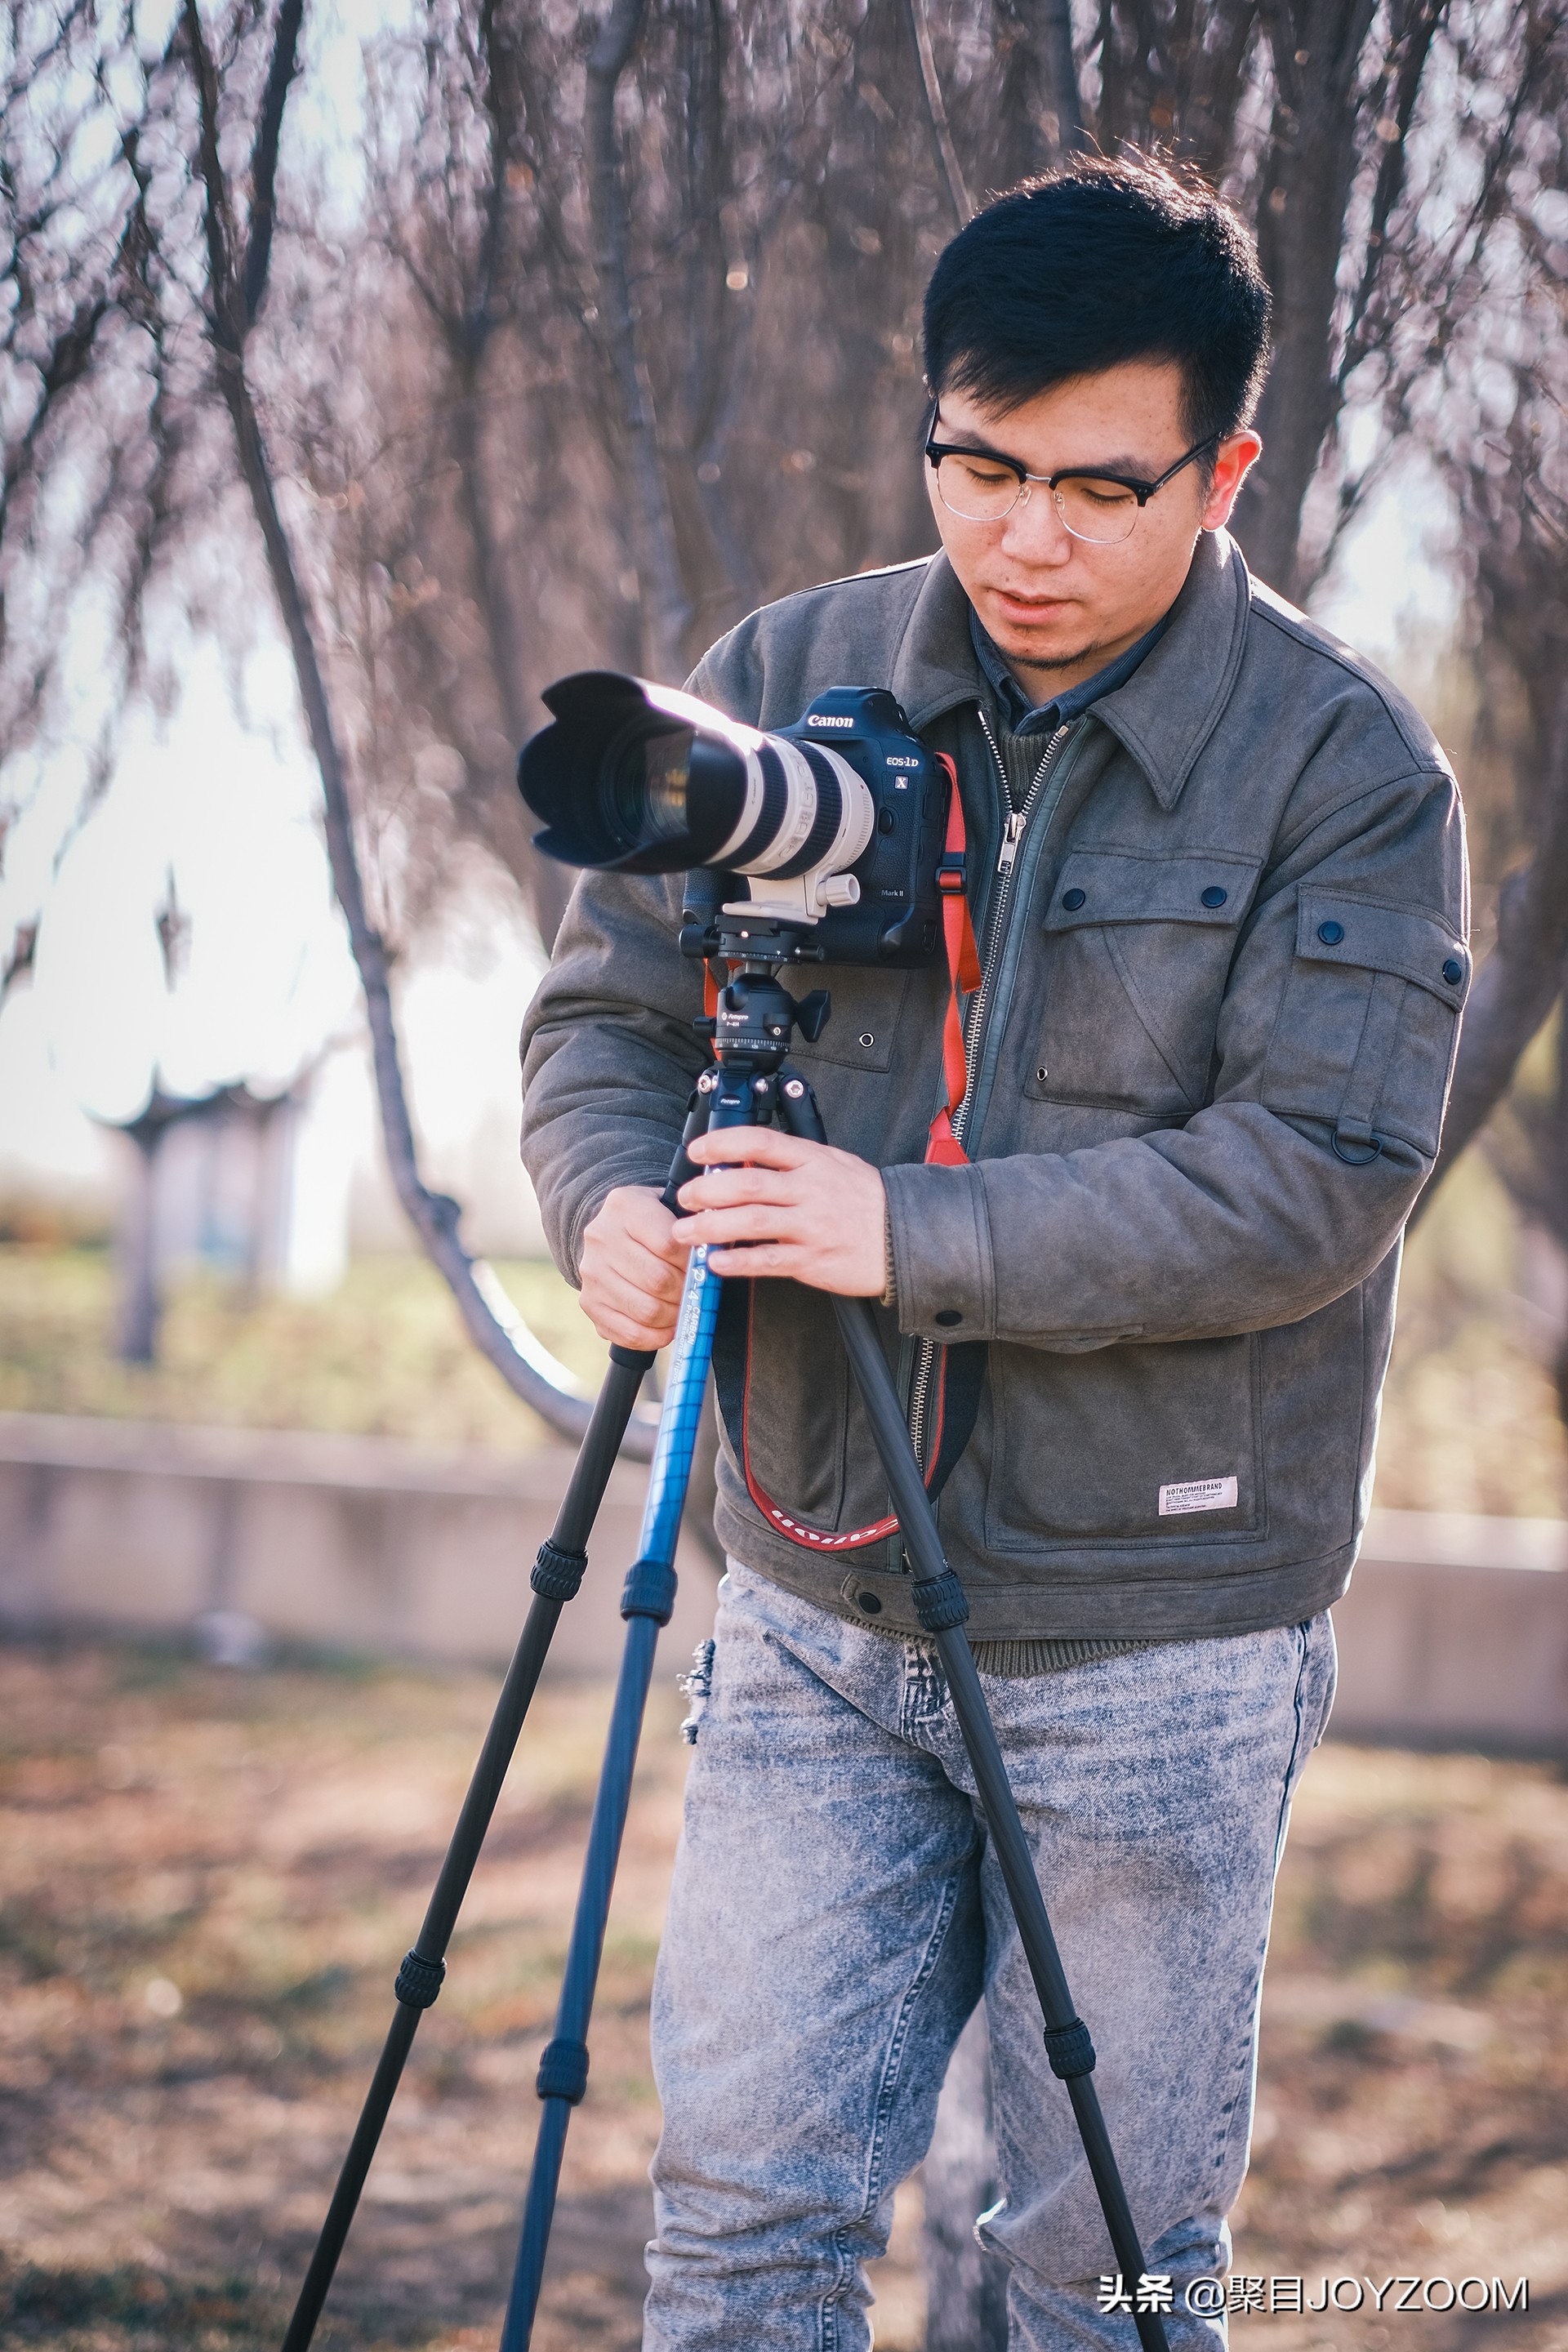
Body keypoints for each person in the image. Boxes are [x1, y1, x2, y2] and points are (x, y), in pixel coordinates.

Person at [519, 151, 1468, 2351]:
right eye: (977, 462)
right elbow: (607, 1019)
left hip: (1157, 1638)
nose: (1025, 534)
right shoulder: (783, 680)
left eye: (1101, 485)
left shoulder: (1343, 767)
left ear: (1226, 467)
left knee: (1097, 2273)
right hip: (812, 1607)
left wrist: (894, 1230)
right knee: (737, 2225)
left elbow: (1320, 1172)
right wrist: (611, 1207)